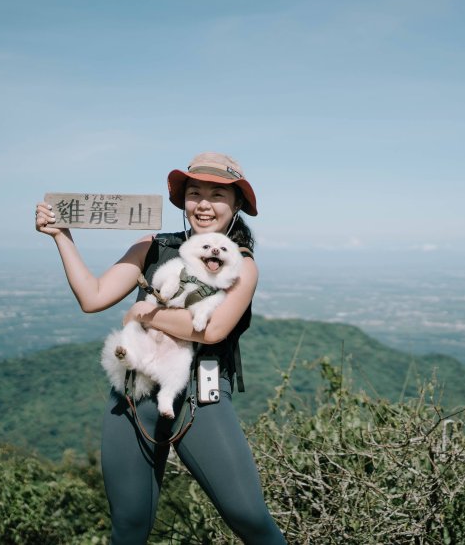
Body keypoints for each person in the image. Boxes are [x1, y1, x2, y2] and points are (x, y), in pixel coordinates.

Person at [35, 152, 285, 545]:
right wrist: (61, 236)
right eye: (195, 192)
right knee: (129, 526)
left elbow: (212, 330)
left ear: (237, 204)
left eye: (218, 194)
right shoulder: (152, 246)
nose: (203, 204)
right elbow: (93, 296)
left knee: (249, 518)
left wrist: (146, 313)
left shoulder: (242, 264)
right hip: (134, 396)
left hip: (200, 399)